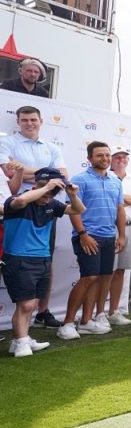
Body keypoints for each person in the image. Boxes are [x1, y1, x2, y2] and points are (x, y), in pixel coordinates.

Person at [3, 168, 84, 356]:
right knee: (26, 305)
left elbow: (79, 210)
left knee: (34, 301)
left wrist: (71, 195)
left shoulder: (51, 203)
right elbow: (21, 201)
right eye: (47, 191)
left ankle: (20, 340)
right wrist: (47, 186)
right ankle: (22, 342)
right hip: (19, 258)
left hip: (43, 258)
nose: (49, 196)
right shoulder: (17, 201)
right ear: (36, 185)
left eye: (54, 192)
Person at [0, 104, 67, 328]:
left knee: (45, 259)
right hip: (17, 208)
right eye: (25, 120)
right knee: (13, 258)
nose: (30, 123)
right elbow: (7, 173)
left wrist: (38, 178)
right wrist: (46, 178)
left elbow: (62, 176)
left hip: (46, 205)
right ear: (17, 121)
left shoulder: (51, 147)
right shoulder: (6, 142)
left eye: (33, 120)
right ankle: (20, 315)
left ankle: (43, 311)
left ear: (41, 121)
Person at [57, 141, 125, 339]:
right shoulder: (80, 180)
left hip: (108, 237)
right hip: (88, 236)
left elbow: (120, 209)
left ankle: (86, 321)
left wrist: (121, 235)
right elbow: (74, 209)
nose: (104, 159)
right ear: (89, 159)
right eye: (99, 155)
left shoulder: (115, 181)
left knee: (102, 278)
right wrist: (83, 234)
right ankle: (67, 323)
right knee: (89, 277)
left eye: (107, 155)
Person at [99, 145, 131, 326]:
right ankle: (100, 312)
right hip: (111, 228)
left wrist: (121, 197)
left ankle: (114, 311)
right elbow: (116, 200)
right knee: (108, 271)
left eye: (124, 157)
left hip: (130, 226)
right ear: (111, 161)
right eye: (117, 157)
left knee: (121, 269)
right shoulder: (106, 177)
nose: (121, 160)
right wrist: (124, 198)